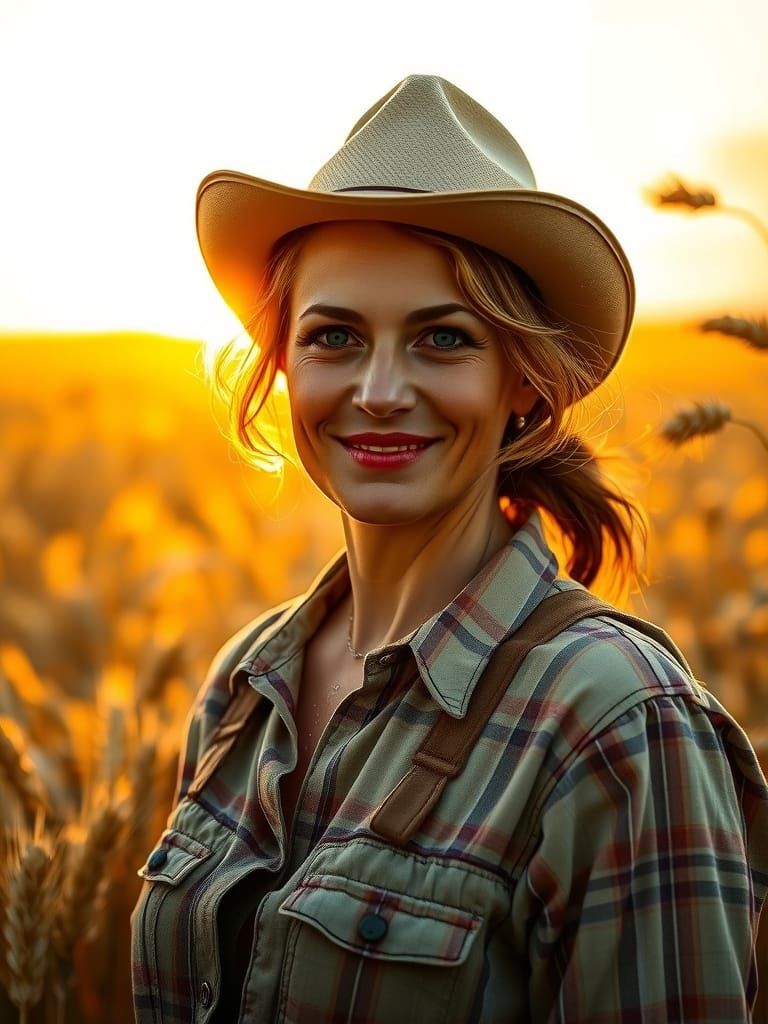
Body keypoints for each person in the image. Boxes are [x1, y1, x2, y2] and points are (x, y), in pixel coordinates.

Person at [130, 74, 768, 1023]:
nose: (380, 389)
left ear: (525, 381)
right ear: (282, 365)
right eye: (335, 335)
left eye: (441, 338)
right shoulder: (243, 683)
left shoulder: (617, 723)